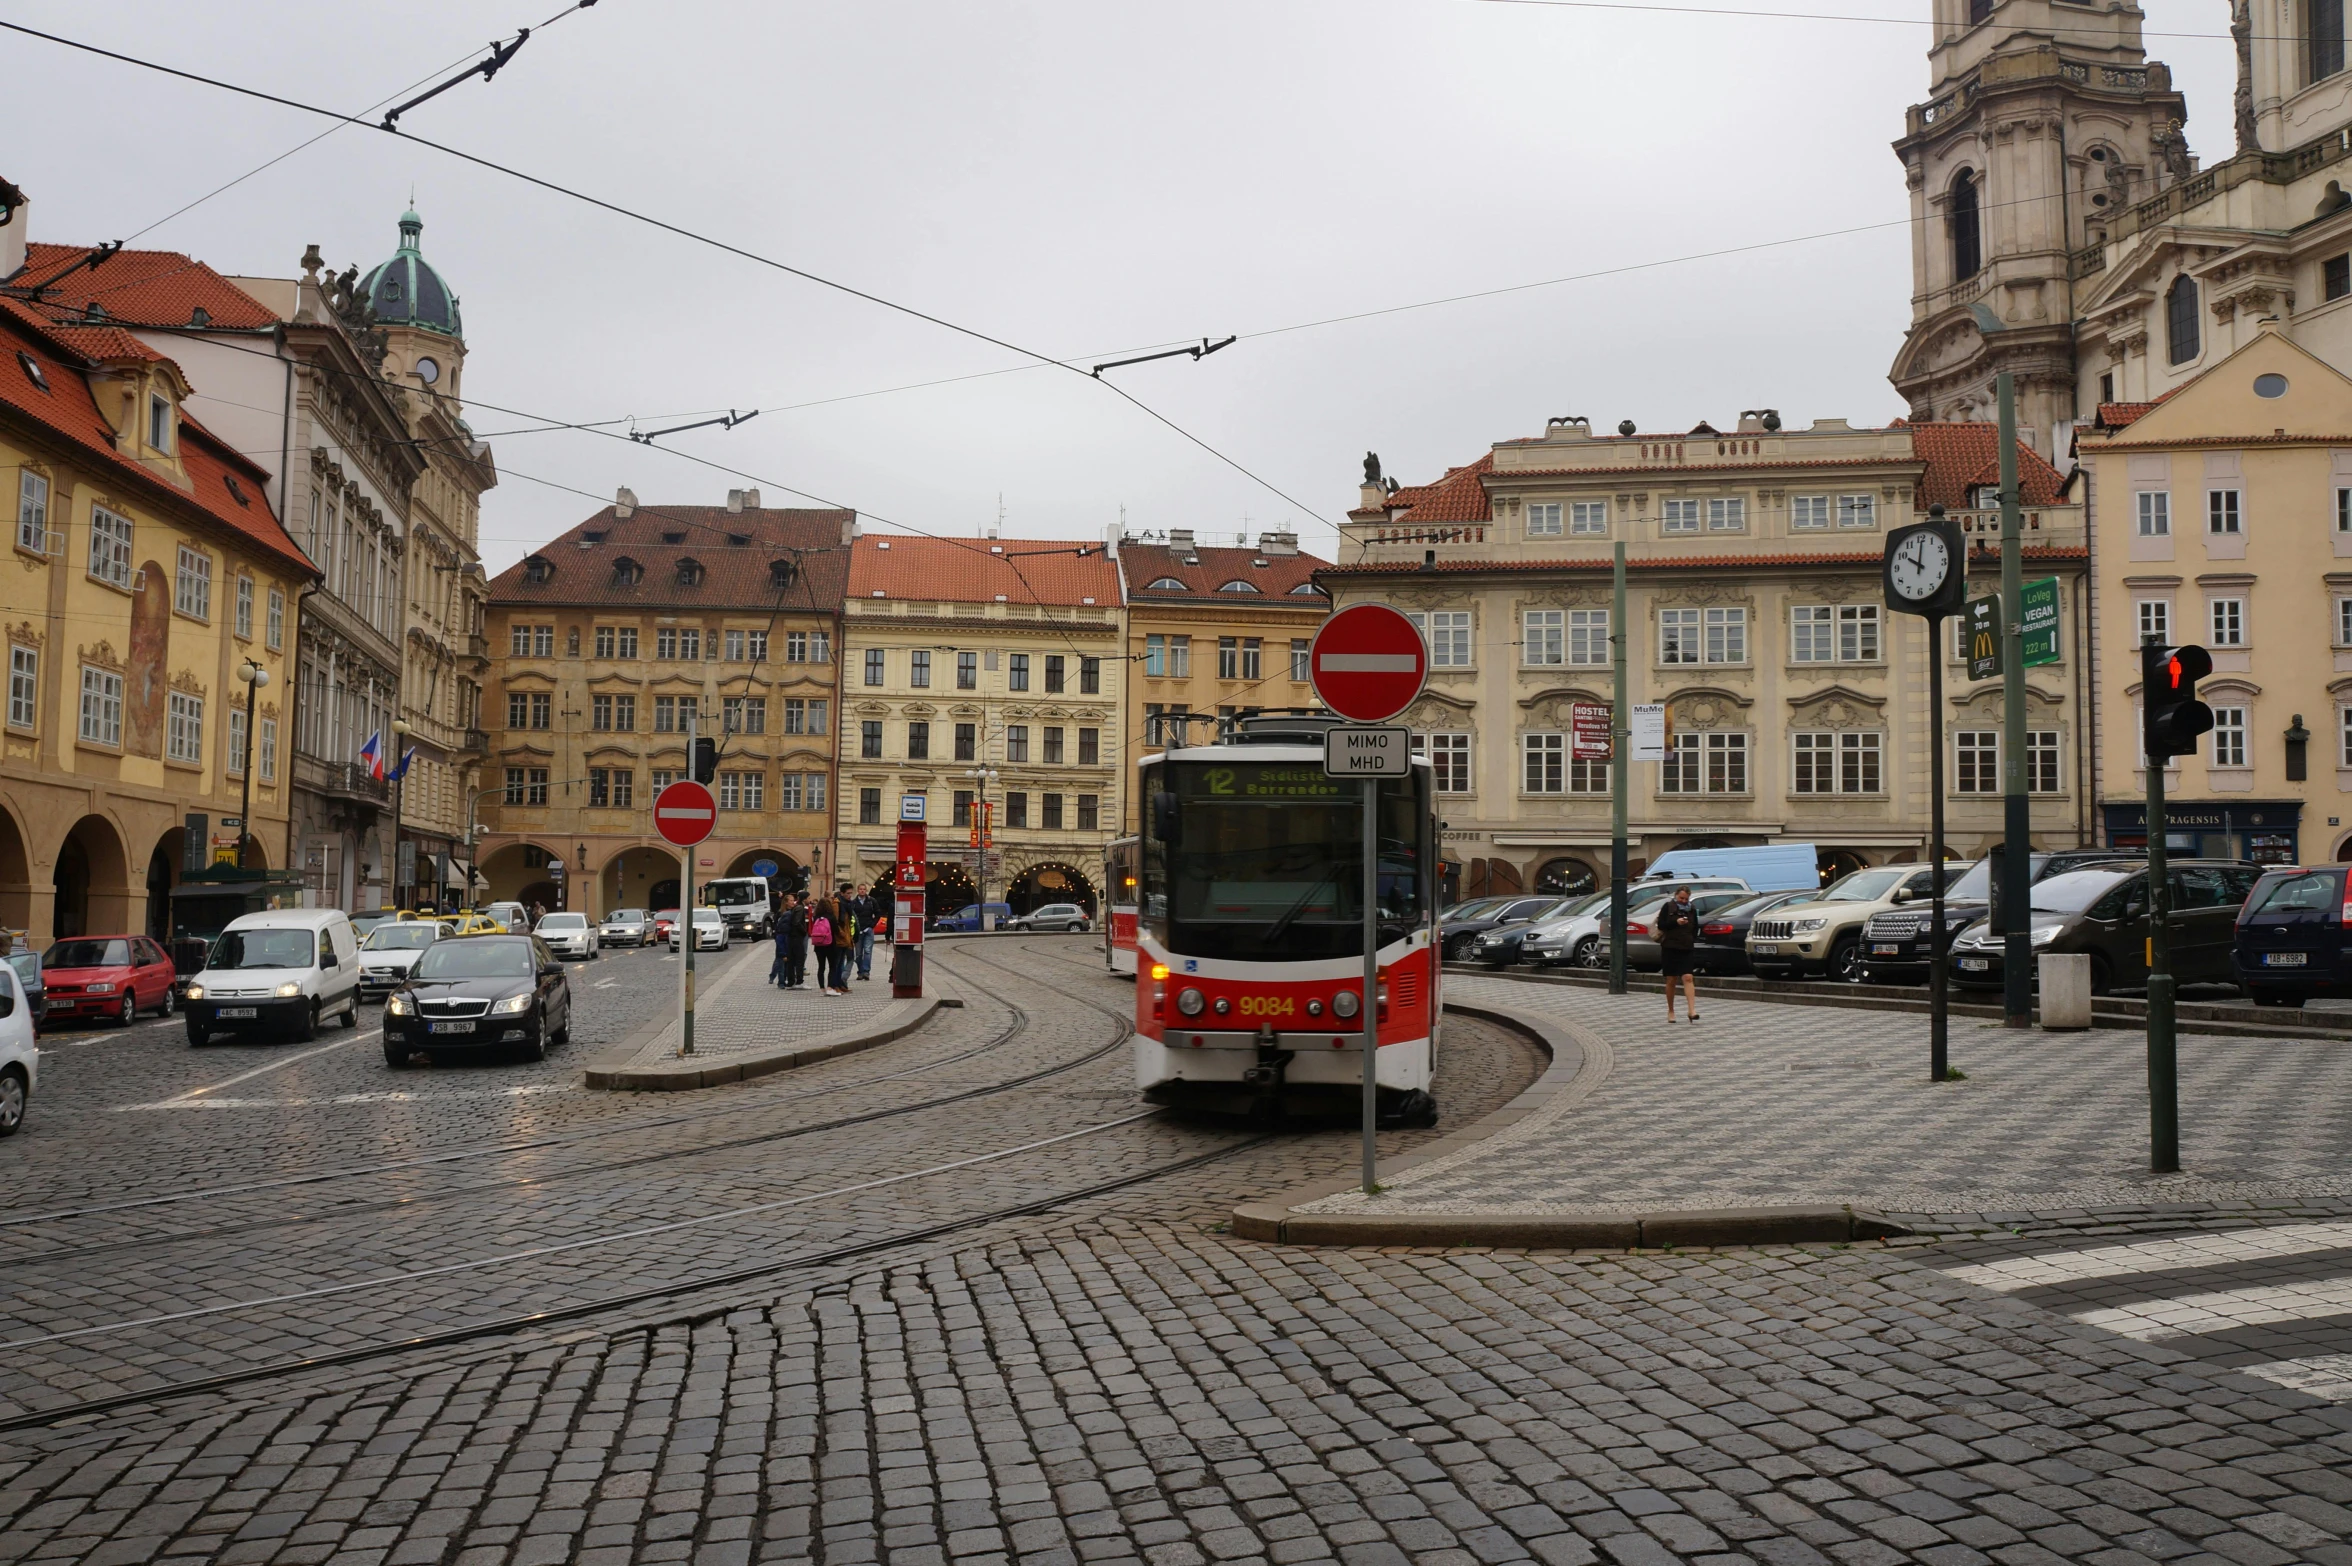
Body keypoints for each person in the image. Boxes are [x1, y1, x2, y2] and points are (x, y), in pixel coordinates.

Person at [1655, 884, 1701, 1023]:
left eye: (1686, 899)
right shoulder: (1668, 907)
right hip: (1670, 947)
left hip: (1686, 947)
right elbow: (1661, 925)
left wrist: (1692, 938)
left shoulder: (1692, 909)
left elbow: (1695, 926)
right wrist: (1676, 922)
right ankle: (1671, 1010)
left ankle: (1692, 1010)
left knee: (1688, 977)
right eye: (1681, 898)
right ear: (1676, 896)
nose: (1683, 901)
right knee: (1671, 979)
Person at [782, 893, 810, 989]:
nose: (809, 899)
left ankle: (790, 982)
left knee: (792, 960)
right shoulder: (800, 908)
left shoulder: (795, 907)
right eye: (808, 897)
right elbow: (796, 922)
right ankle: (799, 981)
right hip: (797, 937)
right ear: (804, 899)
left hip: (791, 937)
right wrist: (804, 931)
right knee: (799, 959)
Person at [853, 881, 877, 981]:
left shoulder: (871, 901)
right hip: (858, 930)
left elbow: (878, 913)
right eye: (860, 889)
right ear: (858, 891)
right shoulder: (853, 903)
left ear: (866, 891)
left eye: (864, 889)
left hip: (868, 930)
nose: (862, 891)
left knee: (867, 951)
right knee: (858, 953)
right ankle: (860, 971)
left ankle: (866, 972)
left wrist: (872, 925)